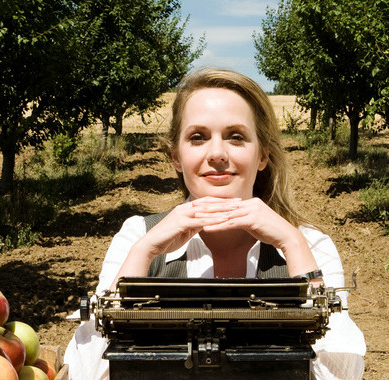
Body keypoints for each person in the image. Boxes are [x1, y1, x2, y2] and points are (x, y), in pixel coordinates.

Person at [63, 68, 366, 380]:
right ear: (176, 157)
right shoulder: (137, 235)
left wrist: (294, 247)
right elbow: (87, 373)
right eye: (198, 137)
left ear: (262, 154)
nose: (218, 153)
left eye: (236, 137)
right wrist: (143, 253)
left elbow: (341, 373)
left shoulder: (309, 244)